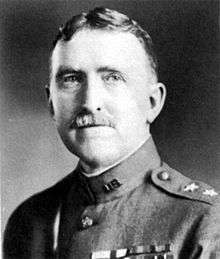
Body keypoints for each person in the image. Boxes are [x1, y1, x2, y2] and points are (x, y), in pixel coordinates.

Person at [3, 7, 220, 259]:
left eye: (113, 77)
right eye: (72, 78)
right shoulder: (30, 221)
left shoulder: (205, 221)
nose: (90, 101)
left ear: (152, 102)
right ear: (52, 104)